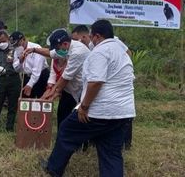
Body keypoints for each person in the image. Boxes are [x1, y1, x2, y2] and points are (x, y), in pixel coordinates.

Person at [41, 19, 136, 177]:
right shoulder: (121, 50)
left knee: (66, 130)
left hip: (101, 111)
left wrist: (84, 107)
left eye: (91, 37)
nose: (90, 40)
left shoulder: (100, 52)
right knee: (110, 152)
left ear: (98, 36)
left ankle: (54, 168)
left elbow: (96, 82)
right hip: (123, 112)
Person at [23, 29, 90, 128]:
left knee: (80, 118)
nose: (57, 51)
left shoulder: (77, 52)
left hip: (82, 89)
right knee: (62, 115)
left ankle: (82, 142)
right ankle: (62, 137)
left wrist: (52, 92)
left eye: (57, 48)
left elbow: (65, 77)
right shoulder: (63, 48)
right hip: (69, 89)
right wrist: (34, 50)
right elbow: (50, 53)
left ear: (65, 44)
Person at [0, 30, 21, 132]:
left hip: (14, 78)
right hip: (1, 79)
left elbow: (20, 64)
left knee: (12, 104)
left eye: (3, 41)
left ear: (8, 39)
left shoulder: (15, 50)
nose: (1, 43)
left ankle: (9, 127)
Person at [10, 31, 49, 98]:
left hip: (41, 76)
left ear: (23, 39)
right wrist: (20, 61)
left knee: (43, 101)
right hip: (27, 77)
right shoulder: (17, 51)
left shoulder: (36, 47)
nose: (17, 46)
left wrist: (30, 84)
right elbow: (16, 69)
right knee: (25, 103)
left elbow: (37, 70)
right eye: (14, 45)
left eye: (18, 44)